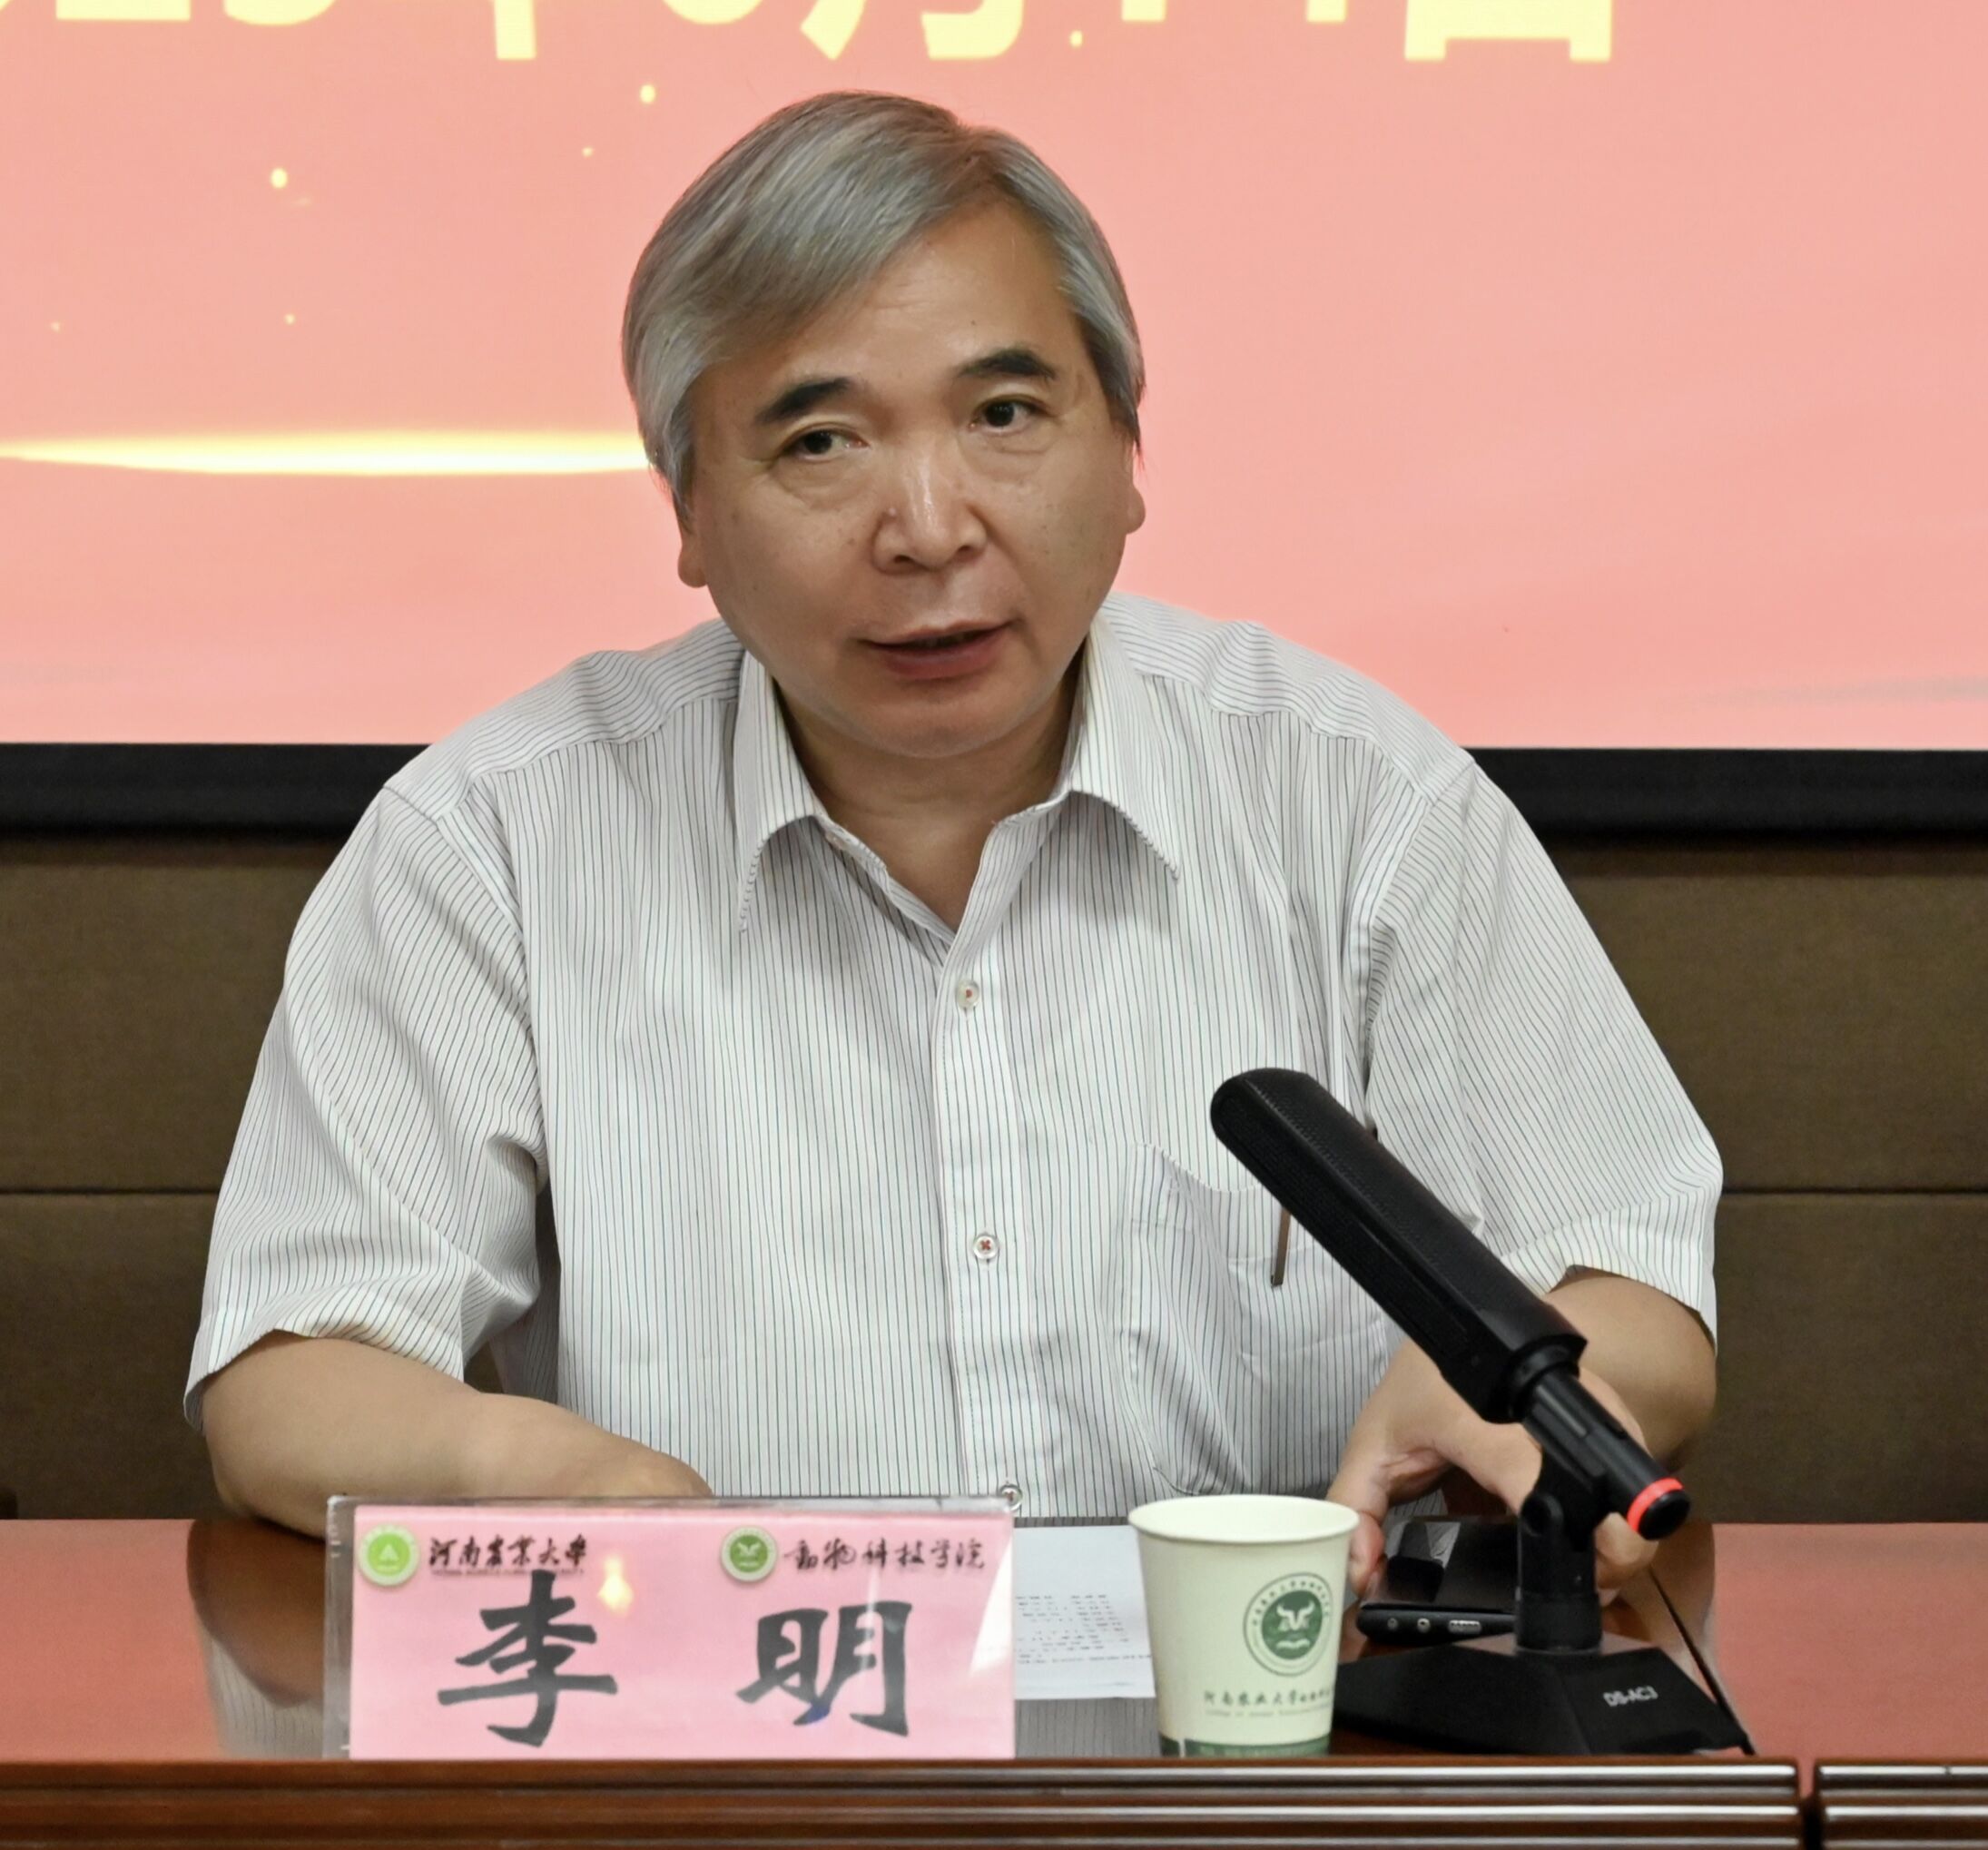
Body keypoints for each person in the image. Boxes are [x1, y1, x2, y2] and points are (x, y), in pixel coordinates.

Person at [191, 91, 1717, 1596]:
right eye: (819, 440)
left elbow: (1630, 1271)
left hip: (1264, 1725)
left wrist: (1517, 1385)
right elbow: (292, 1374)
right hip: (732, 1725)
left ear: (1127, 450)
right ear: (689, 511)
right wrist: (559, 1480)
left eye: (1003, 416)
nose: (928, 527)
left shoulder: (1358, 799)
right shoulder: (491, 843)